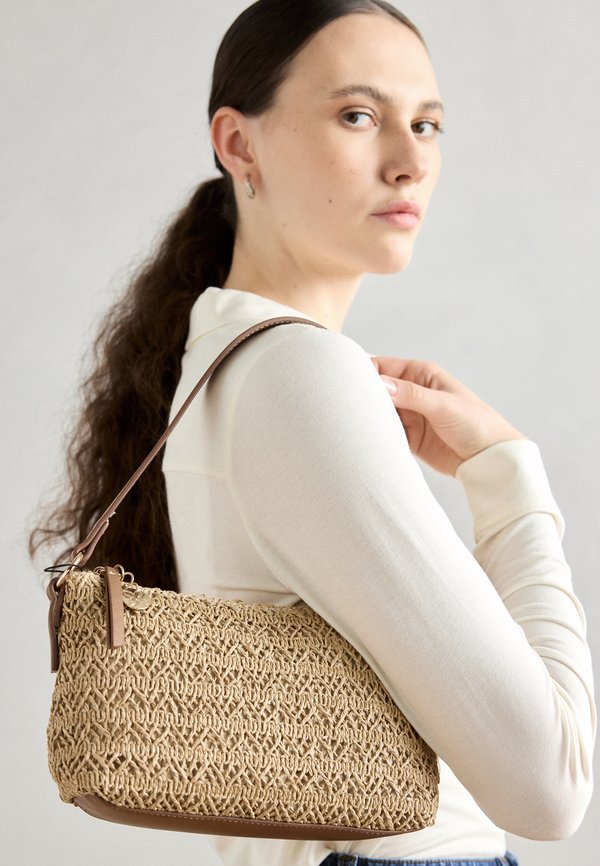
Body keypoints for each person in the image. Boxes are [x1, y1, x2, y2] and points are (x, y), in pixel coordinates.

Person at [30, 1, 596, 865]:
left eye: (428, 124)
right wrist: (509, 476)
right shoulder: (298, 372)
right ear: (239, 144)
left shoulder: (224, 356)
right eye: (358, 115)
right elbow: (550, 787)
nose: (410, 162)